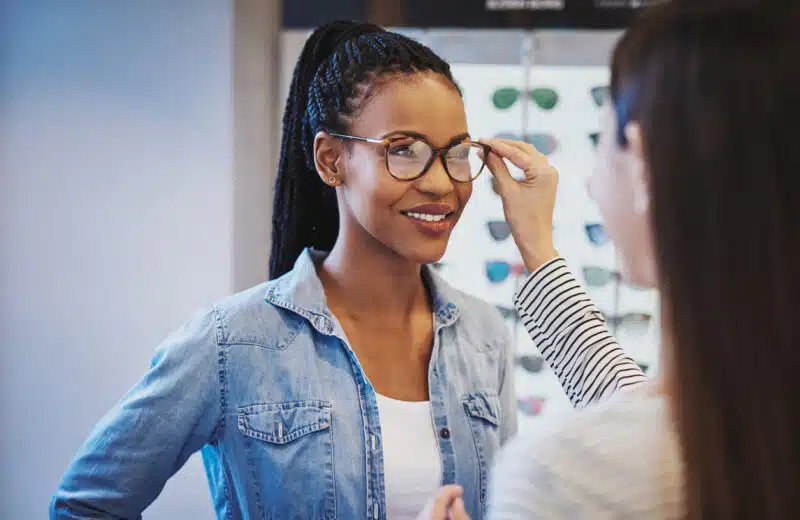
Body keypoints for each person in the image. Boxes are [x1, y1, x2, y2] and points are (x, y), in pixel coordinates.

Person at [50, 21, 643, 520]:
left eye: (457, 154)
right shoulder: (232, 342)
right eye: (403, 149)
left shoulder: (484, 334)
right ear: (332, 160)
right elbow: (84, 506)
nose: (440, 182)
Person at [485, 2, 800, 519]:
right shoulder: (752, 429)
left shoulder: (563, 480)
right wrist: (537, 247)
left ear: (643, 162)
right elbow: (639, 399)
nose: (589, 181)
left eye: (601, 138)